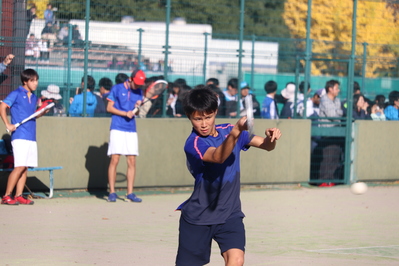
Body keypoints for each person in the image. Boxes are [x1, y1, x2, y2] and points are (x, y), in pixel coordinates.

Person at [175, 86, 282, 266]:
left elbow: (265, 145)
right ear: (189, 117)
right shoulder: (193, 144)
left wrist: (271, 138)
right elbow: (218, 156)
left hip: (230, 213)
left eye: (208, 117)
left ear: (215, 112)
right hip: (199, 217)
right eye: (197, 119)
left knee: (237, 260)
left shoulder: (229, 130)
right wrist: (235, 132)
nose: (204, 124)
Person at [0, 69, 49, 205]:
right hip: (19, 136)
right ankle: (6, 196)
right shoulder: (16, 93)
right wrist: (8, 124)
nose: (35, 83)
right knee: (19, 166)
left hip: (31, 136)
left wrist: (43, 111)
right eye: (32, 80)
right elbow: (2, 106)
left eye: (36, 80)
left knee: (25, 167)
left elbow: (33, 116)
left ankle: (19, 195)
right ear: (25, 81)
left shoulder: (34, 97)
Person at [106, 69, 146, 203]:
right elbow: (109, 108)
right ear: (130, 78)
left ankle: (130, 193)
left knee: (132, 161)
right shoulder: (116, 88)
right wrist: (125, 114)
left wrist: (138, 107)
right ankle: (112, 192)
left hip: (131, 129)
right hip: (117, 127)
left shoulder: (139, 92)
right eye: (136, 83)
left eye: (140, 84)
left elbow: (137, 110)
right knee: (115, 160)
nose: (138, 86)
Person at [317, 79, 344, 186]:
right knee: (328, 157)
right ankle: (323, 180)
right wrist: (338, 113)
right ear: (330, 89)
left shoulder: (337, 100)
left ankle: (331, 180)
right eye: (336, 88)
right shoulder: (324, 100)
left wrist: (338, 112)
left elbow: (340, 113)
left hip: (337, 132)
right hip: (327, 133)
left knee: (335, 157)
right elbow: (332, 115)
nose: (338, 90)